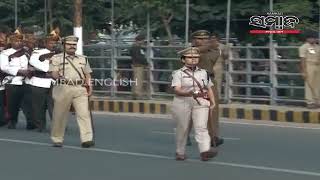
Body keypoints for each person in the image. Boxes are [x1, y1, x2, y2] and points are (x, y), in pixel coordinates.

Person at [171, 47, 218, 161]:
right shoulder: (178, 73)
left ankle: (205, 151)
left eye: (196, 57)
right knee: (183, 127)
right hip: (182, 101)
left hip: (201, 101)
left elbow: (209, 87)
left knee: (201, 127)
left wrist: (213, 101)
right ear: (183, 60)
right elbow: (176, 89)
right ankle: (180, 151)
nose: (194, 59)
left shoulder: (203, 73)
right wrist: (188, 92)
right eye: (190, 57)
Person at [49, 35, 94, 148]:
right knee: (60, 115)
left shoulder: (83, 58)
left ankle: (87, 139)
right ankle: (57, 138)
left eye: (74, 45)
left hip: (80, 88)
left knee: (84, 114)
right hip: (63, 87)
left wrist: (89, 86)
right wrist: (57, 76)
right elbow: (53, 73)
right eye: (69, 44)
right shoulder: (56, 58)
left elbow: (87, 74)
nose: (72, 47)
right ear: (64, 45)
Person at [191, 30, 224, 146]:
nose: (203, 41)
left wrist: (208, 47)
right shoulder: (190, 51)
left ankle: (213, 136)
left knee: (212, 109)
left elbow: (216, 55)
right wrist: (206, 47)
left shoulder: (213, 51)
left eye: (205, 39)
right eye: (199, 39)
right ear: (193, 40)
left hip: (209, 81)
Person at [0, 28, 34, 129]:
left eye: (20, 41)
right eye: (15, 41)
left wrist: (30, 69)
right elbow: (4, 67)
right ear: (11, 41)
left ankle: (31, 122)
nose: (18, 43)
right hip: (12, 81)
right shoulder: (5, 53)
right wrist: (19, 71)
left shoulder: (26, 52)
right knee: (12, 104)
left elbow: (31, 63)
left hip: (26, 80)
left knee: (28, 103)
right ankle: (12, 121)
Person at [28, 29, 60, 131]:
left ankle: (57, 125)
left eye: (55, 42)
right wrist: (50, 70)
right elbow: (33, 62)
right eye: (51, 42)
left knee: (55, 106)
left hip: (54, 82)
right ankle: (40, 126)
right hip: (39, 82)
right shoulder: (38, 52)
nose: (53, 44)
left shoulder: (59, 54)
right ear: (46, 43)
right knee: (39, 106)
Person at [299, 32, 320, 109]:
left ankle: (317, 101)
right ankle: (310, 102)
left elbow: (316, 55)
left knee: (317, 84)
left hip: (317, 67)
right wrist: (303, 71)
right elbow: (302, 60)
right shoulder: (304, 47)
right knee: (309, 84)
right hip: (309, 66)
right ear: (307, 38)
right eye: (312, 38)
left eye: (315, 38)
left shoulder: (316, 47)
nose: (314, 39)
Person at [130, 34, 150, 99]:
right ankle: (137, 94)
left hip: (135, 64)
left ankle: (134, 94)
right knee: (138, 80)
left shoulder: (134, 46)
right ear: (140, 40)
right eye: (143, 40)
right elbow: (139, 57)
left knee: (135, 79)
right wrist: (146, 63)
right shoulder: (137, 47)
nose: (143, 42)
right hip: (139, 65)